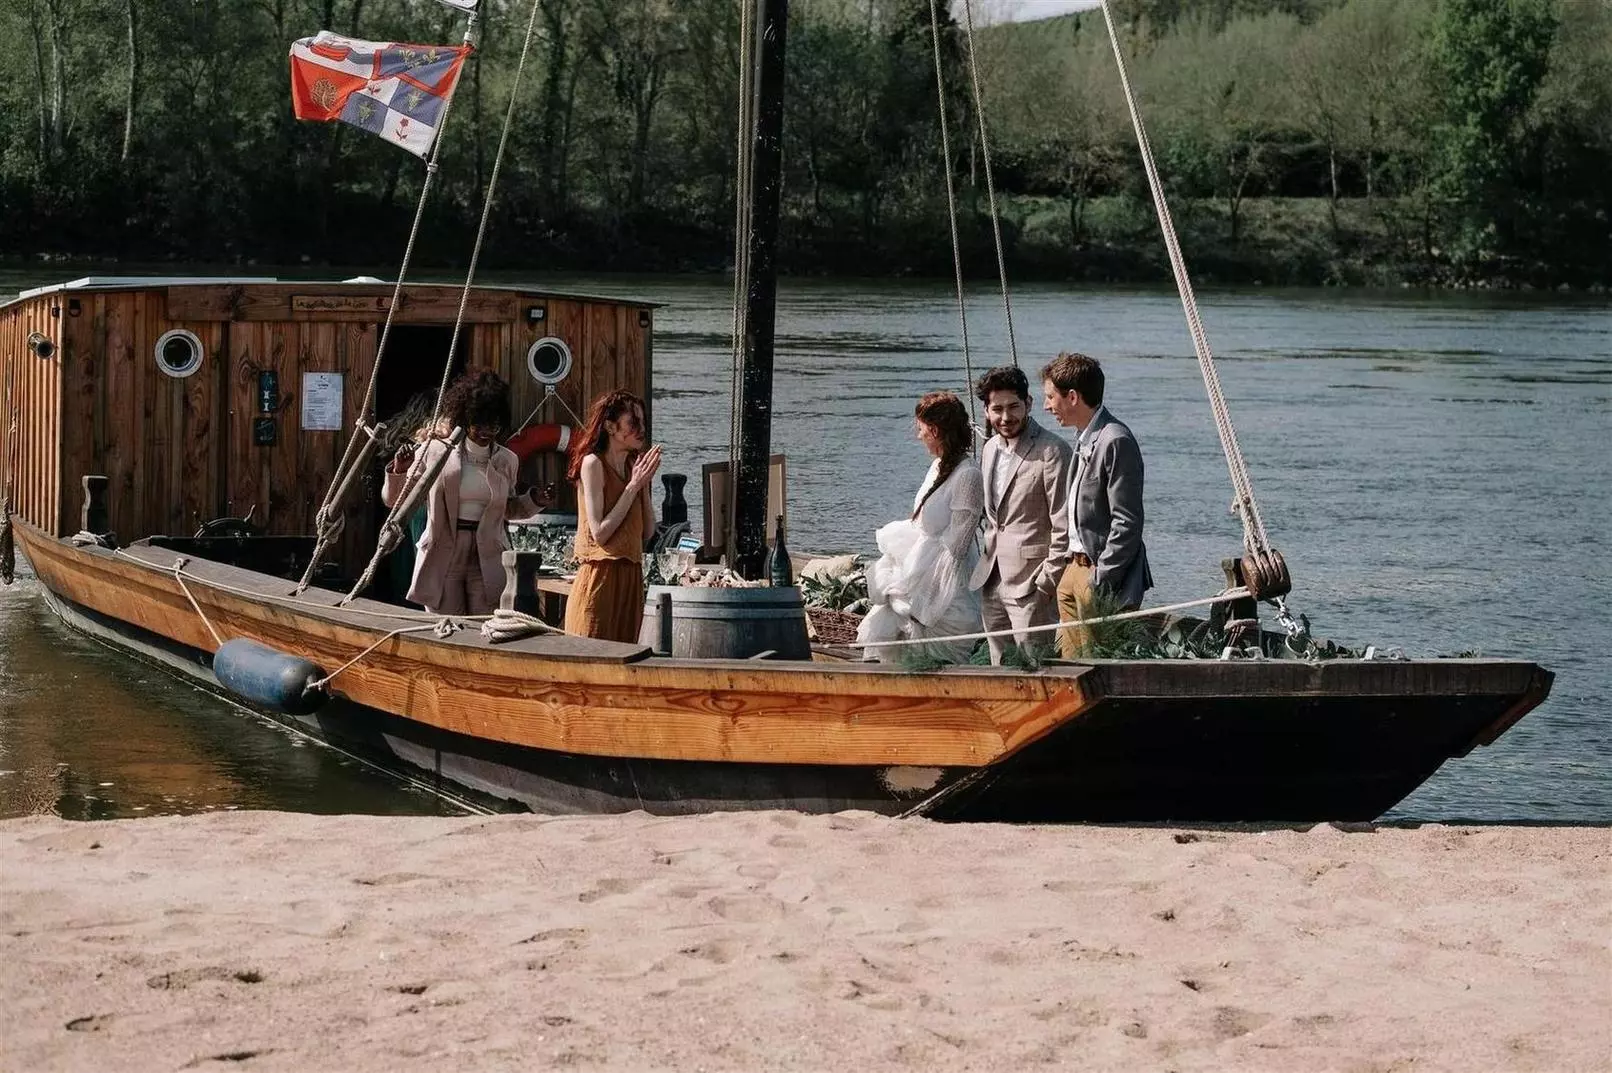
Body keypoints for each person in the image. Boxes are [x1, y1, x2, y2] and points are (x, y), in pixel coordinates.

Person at [383, 371, 545, 616]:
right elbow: (396, 501)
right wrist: (399, 471)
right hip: (444, 551)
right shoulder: (434, 452)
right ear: (464, 418)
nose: (486, 431)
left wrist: (534, 501)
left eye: (494, 424)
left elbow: (507, 510)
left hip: (487, 554)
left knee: (483, 624)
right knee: (444, 625)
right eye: (479, 423)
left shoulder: (507, 460)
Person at [856, 391, 984, 664]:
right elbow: (923, 522)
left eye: (921, 429)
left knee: (931, 646)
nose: (918, 436)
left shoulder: (968, 475)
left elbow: (957, 548)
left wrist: (923, 598)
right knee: (891, 633)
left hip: (947, 581)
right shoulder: (938, 466)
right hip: (921, 560)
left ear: (934, 430)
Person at [1041, 352, 1152, 658]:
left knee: (1097, 669)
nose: (1046, 406)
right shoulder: (1085, 437)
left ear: (1073, 396)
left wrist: (1100, 579)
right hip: (1074, 570)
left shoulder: (1115, 440)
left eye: (1051, 397)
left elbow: (1127, 522)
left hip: (1101, 575)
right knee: (1069, 668)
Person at [968, 366, 1074, 664]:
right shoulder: (989, 448)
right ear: (986, 411)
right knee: (998, 666)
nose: (1006, 417)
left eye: (1013, 407)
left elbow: (1063, 524)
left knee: (1036, 669)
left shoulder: (1053, 450)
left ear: (1028, 403)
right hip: (992, 579)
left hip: (1032, 585)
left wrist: (1046, 582)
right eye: (997, 409)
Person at [563, 390, 660, 642]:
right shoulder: (593, 464)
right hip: (600, 577)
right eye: (633, 422)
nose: (641, 429)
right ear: (610, 426)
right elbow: (600, 533)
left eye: (643, 422)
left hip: (631, 577)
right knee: (591, 658)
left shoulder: (633, 467)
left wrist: (643, 487)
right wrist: (632, 488)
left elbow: (647, 533)